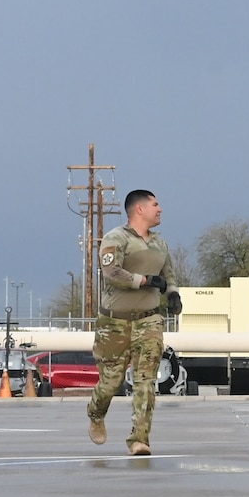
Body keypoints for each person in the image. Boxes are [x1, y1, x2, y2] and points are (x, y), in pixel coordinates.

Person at [88, 189, 173, 456]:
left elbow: (168, 275)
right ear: (139, 209)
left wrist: (173, 295)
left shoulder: (160, 244)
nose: (160, 209)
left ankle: (139, 439)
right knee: (110, 383)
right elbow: (112, 273)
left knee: (146, 381)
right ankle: (95, 412)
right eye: (155, 204)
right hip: (114, 324)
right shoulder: (116, 238)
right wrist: (145, 281)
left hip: (149, 322)